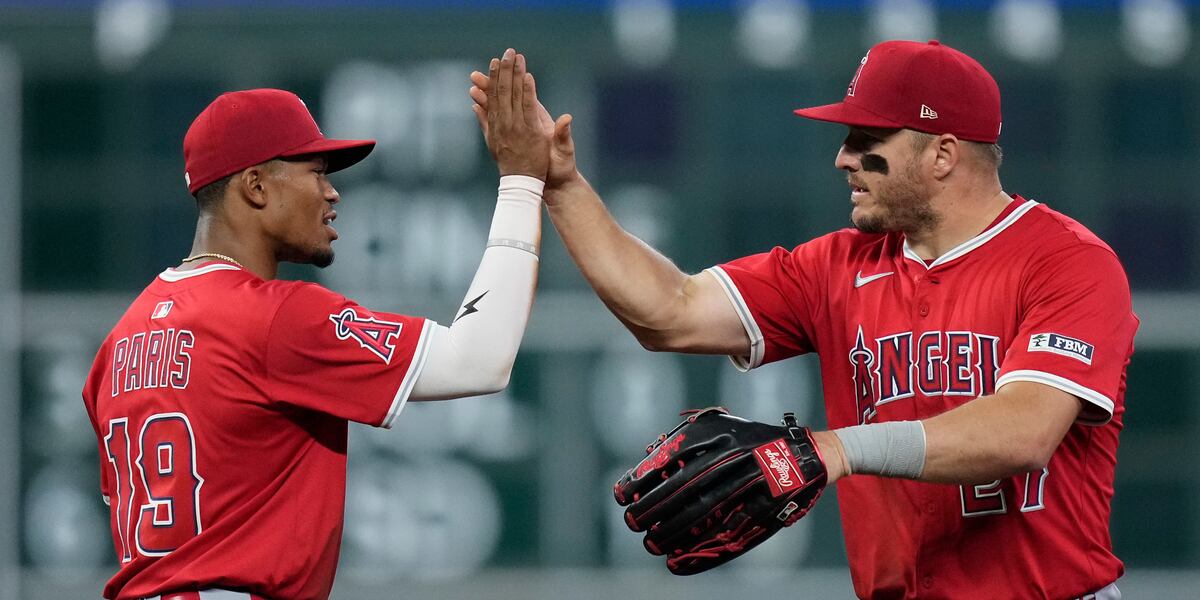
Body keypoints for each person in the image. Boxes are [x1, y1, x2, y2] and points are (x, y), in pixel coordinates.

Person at [470, 40, 1137, 599]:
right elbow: (669, 313)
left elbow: (1024, 430)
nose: (843, 157)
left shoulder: (1066, 262)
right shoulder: (837, 268)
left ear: (942, 154)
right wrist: (559, 185)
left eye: (868, 138)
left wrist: (837, 449)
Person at [82, 49, 547, 600]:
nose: (332, 193)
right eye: (315, 172)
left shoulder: (120, 341)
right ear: (255, 187)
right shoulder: (273, 315)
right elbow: (480, 359)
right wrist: (522, 181)